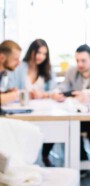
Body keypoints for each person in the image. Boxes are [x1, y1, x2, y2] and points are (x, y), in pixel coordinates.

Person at [52, 44, 90, 179]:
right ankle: (82, 161)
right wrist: (57, 93)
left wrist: (89, 96)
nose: (80, 64)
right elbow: (63, 86)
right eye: (77, 60)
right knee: (74, 126)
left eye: (83, 60)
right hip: (78, 114)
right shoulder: (72, 71)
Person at [9, 39, 58, 167]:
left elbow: (55, 90)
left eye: (44, 53)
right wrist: (25, 93)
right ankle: (25, 160)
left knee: (54, 125)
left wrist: (44, 94)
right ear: (31, 51)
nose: (40, 56)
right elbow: (11, 87)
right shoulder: (19, 66)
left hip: (43, 110)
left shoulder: (47, 69)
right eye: (38, 52)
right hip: (23, 110)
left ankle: (45, 155)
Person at [0, 40, 21, 105]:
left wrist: (6, 93)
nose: (19, 63)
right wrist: (12, 96)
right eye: (15, 59)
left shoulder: (3, 73)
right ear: (2, 58)